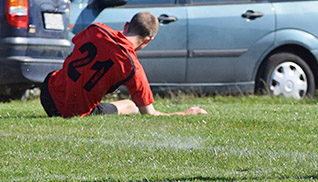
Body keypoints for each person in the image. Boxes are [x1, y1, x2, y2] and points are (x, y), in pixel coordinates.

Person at [40, 11, 207, 118]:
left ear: (127, 25)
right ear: (148, 40)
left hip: (48, 94)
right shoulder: (132, 67)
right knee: (131, 105)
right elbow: (149, 113)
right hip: (73, 113)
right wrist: (185, 113)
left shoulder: (96, 29)